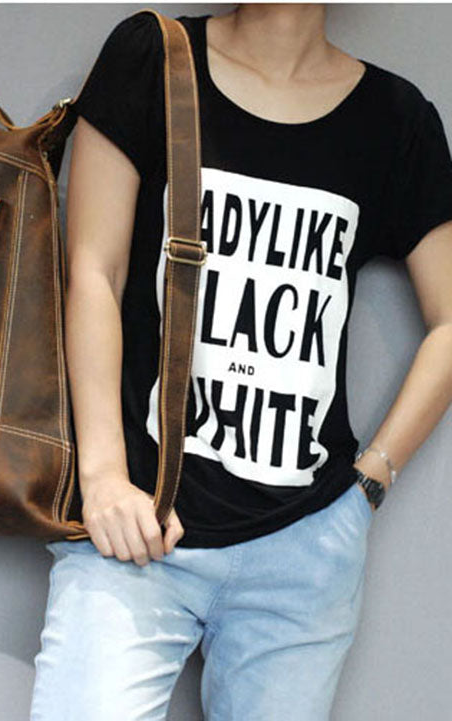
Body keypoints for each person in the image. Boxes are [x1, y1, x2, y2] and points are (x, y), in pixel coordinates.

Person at [29, 4, 452, 720]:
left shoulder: (395, 119)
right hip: (138, 526)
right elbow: (93, 271)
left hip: (304, 551)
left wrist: (367, 488)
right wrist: (101, 476)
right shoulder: (154, 57)